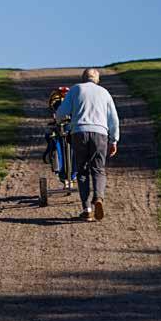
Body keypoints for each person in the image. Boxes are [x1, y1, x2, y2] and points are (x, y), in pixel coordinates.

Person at [53, 68, 119, 221]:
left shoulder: (76, 89)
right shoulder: (104, 93)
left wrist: (58, 120)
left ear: (83, 78)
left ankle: (87, 209)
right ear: (97, 80)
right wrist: (113, 140)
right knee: (98, 169)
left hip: (79, 133)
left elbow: (62, 113)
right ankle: (98, 198)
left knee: (82, 171)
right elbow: (113, 119)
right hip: (100, 134)